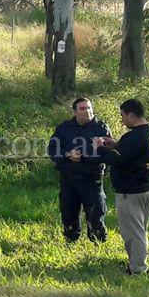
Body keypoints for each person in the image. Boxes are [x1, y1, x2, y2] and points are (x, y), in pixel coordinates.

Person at [93, 99, 149, 274]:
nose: (122, 120)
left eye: (122, 115)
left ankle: (137, 269)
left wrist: (99, 148)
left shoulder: (134, 136)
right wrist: (116, 145)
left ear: (131, 114)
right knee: (140, 230)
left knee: (132, 232)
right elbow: (133, 153)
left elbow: (116, 159)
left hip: (130, 191)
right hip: (145, 188)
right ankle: (136, 263)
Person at [48, 98, 112, 243]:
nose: (87, 111)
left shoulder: (101, 128)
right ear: (75, 112)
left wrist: (82, 155)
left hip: (92, 178)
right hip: (68, 178)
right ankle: (71, 240)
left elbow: (105, 152)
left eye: (89, 108)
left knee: (96, 213)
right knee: (68, 212)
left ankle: (98, 242)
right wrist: (67, 154)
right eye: (82, 109)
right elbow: (52, 149)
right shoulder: (64, 128)